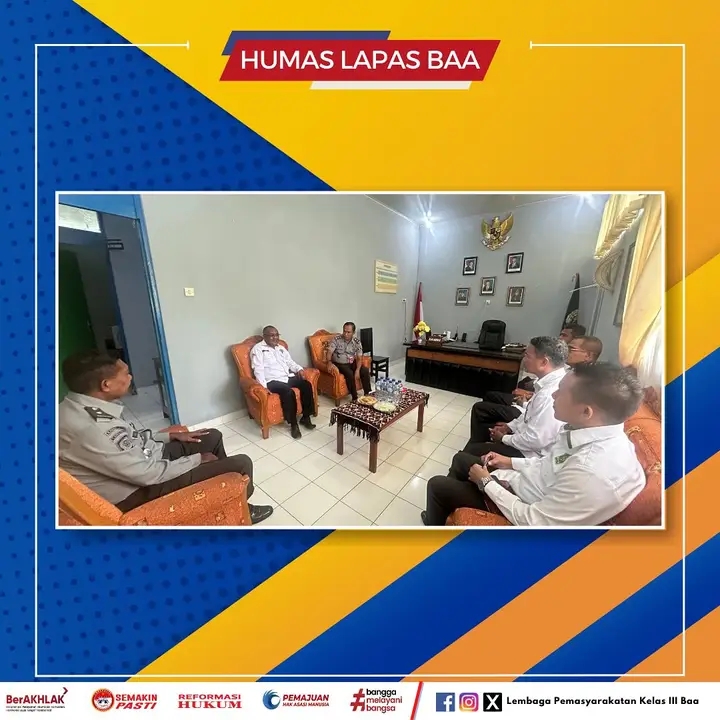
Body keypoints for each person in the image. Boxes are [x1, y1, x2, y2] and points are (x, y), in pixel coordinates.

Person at [58, 351, 273, 524]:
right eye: (125, 374)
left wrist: (171, 436)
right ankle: (241, 509)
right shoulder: (90, 428)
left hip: (140, 464)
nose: (130, 377)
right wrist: (197, 460)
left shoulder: (83, 405)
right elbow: (147, 474)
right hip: (136, 490)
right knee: (241, 464)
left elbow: (131, 439)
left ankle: (230, 499)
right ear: (106, 385)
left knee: (211, 437)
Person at [422, 363, 646, 526]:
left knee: (437, 485)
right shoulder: (587, 431)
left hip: (523, 505)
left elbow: (534, 521)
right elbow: (549, 465)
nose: (553, 395)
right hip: (525, 485)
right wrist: (509, 462)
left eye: (561, 392)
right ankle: (450, 507)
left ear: (586, 411)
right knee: (461, 459)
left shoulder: (592, 472)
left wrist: (486, 483)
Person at [467, 336, 568, 457]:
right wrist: (509, 427)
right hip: (524, 438)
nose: (524, 359)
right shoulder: (547, 383)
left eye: (527, 356)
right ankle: (476, 447)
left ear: (544, 362)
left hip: (529, 454)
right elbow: (528, 416)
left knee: (467, 455)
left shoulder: (549, 394)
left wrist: (504, 438)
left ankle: (473, 453)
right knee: (484, 431)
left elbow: (535, 440)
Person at [478, 335, 604, 422]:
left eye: (571, 349)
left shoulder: (583, 381)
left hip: (537, 417)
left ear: (588, 355)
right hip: (533, 408)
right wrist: (530, 396)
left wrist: (526, 402)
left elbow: (548, 405)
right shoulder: (570, 369)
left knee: (482, 408)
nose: (567, 351)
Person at [251, 325, 316, 439]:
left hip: (286, 377)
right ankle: (293, 424)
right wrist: (263, 387)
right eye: (272, 335)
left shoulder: (280, 348)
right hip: (272, 380)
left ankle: (306, 417)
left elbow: (290, 362)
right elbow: (258, 369)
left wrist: (299, 369)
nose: (275, 338)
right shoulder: (258, 349)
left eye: (277, 335)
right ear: (264, 336)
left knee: (306, 385)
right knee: (288, 392)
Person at [326, 322, 371, 401]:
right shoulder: (336, 339)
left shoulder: (357, 342)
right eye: (344, 331)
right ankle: (354, 397)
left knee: (365, 370)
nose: (345, 334)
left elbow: (359, 357)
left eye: (348, 332)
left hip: (351, 362)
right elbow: (329, 352)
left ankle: (367, 394)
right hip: (340, 363)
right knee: (349, 373)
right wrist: (329, 362)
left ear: (353, 332)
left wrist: (357, 370)